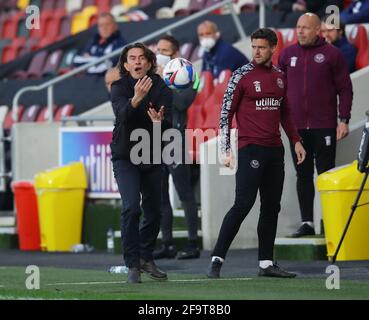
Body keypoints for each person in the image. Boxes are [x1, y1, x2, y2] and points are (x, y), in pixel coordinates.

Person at [207, 28, 306, 279]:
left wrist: (296, 141)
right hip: (250, 148)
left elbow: (285, 113)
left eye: (262, 47)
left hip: (275, 150)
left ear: (274, 48)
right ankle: (217, 259)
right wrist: (225, 149)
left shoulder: (280, 76)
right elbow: (225, 114)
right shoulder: (241, 75)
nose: (257, 51)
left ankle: (265, 263)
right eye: (254, 47)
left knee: (271, 207)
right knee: (243, 204)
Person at [278, 13, 353, 237]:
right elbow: (279, 88)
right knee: (302, 175)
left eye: (306, 28)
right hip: (296, 128)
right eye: (298, 27)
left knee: (325, 174)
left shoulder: (332, 54)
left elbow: (345, 88)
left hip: (324, 126)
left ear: (318, 30)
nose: (300, 31)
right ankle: (308, 222)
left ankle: (328, 221)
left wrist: (344, 119)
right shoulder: (287, 54)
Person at [110, 43, 173, 283]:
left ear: (149, 63)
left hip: (151, 155)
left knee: (154, 211)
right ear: (125, 65)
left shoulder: (163, 89)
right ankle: (133, 264)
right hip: (125, 156)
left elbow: (169, 125)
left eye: (141, 58)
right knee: (131, 208)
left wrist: (159, 124)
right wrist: (136, 99)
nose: (137, 62)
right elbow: (122, 116)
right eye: (132, 59)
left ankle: (147, 257)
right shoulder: (118, 87)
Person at [153, 35, 200, 260]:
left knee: (184, 192)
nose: (160, 52)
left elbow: (182, 102)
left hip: (175, 137)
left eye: (165, 50)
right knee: (160, 193)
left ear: (175, 52)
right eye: (158, 49)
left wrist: (164, 78)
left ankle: (193, 243)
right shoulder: (152, 73)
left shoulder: (190, 73)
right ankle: (167, 242)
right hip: (153, 137)